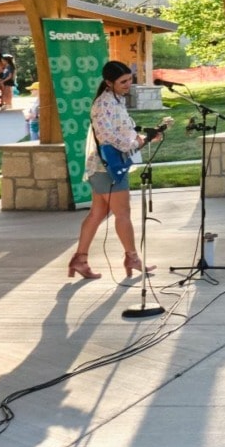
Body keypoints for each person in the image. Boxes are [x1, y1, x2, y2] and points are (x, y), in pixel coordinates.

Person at [68, 61, 167, 282]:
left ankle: (80, 259)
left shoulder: (116, 101)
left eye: (130, 79)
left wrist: (145, 135)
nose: (128, 84)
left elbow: (123, 130)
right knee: (122, 214)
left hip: (106, 167)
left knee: (98, 213)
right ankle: (131, 257)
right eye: (123, 81)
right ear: (108, 82)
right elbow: (109, 138)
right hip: (106, 169)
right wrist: (140, 142)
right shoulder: (103, 105)